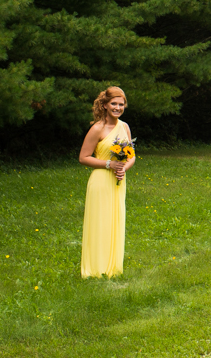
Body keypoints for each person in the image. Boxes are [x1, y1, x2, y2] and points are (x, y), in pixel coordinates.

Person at [79, 86, 135, 278]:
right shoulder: (97, 128)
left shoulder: (125, 127)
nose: (117, 108)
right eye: (114, 104)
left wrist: (123, 169)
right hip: (101, 180)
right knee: (100, 222)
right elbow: (83, 157)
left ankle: (112, 267)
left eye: (121, 104)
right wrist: (109, 164)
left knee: (115, 220)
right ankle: (96, 268)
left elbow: (132, 156)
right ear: (104, 105)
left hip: (118, 181)